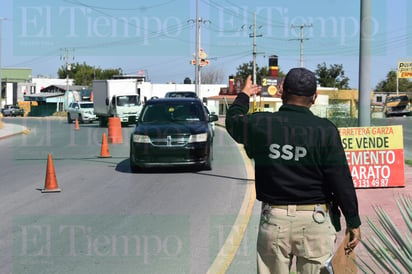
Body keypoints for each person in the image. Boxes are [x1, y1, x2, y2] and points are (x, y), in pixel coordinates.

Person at [225, 68, 361, 273]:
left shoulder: (261, 124)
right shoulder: (325, 130)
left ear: (282, 92)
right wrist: (353, 221)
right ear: (314, 97)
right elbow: (340, 179)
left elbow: (233, 120)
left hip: (274, 220)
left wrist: (244, 94)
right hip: (316, 221)